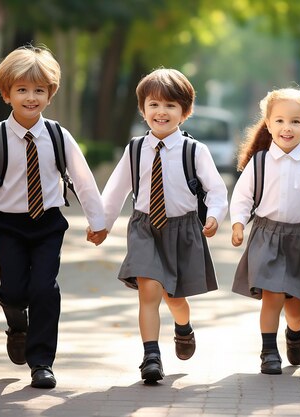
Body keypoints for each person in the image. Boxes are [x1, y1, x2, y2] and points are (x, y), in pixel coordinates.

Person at [0, 45, 108, 389]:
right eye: (22, 90)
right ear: (7, 94)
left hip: (47, 224)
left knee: (44, 288)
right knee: (14, 290)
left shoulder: (59, 135)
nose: (31, 97)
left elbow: (84, 181)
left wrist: (98, 221)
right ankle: (16, 322)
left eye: (39, 90)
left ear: (50, 94)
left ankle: (41, 362)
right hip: (7, 224)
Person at [87, 68, 228, 384]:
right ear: (143, 109)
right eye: (154, 105)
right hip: (145, 228)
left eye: (170, 106)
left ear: (184, 112)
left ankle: (183, 327)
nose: (161, 112)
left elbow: (217, 190)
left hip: (183, 230)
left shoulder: (195, 151)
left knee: (174, 297)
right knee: (149, 290)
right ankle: (151, 356)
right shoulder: (136, 149)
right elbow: (116, 189)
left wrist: (215, 216)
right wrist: (101, 224)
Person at [230, 88, 300, 375]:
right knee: (272, 295)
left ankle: (294, 332)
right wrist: (238, 223)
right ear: (268, 122)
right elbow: (242, 197)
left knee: (297, 307)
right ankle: (268, 351)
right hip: (267, 236)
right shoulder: (259, 161)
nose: (287, 127)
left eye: (296, 121)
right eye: (280, 120)